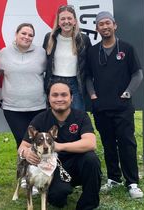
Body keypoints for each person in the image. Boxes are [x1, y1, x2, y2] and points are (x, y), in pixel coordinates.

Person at [85, 11, 144, 199]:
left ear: (114, 25)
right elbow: (87, 76)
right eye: (100, 24)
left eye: (107, 23)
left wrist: (127, 93)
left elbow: (137, 74)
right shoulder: (93, 52)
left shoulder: (126, 48)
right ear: (96, 28)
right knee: (108, 144)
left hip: (123, 107)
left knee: (127, 144)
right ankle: (113, 178)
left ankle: (132, 182)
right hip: (101, 107)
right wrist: (93, 95)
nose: (104, 26)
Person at [18, 80, 101, 210]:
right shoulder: (40, 119)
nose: (59, 99)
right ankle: (62, 188)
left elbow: (91, 143)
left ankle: (88, 204)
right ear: (49, 98)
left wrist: (60, 146)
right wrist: (26, 153)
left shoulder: (81, 117)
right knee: (57, 198)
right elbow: (22, 146)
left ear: (71, 98)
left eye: (64, 95)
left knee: (92, 159)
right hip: (52, 167)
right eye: (55, 95)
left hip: (77, 162)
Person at [0, 23, 47, 150]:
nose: (27, 37)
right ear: (16, 34)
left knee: (38, 142)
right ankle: (24, 170)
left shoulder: (41, 53)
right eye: (23, 33)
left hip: (38, 107)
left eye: (30, 35)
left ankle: (39, 169)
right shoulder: (3, 53)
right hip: (13, 109)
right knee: (22, 142)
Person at [42, 5, 91, 111]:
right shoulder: (49, 38)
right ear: (58, 22)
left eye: (69, 18)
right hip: (54, 82)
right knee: (54, 119)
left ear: (74, 21)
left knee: (77, 118)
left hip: (76, 84)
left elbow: (88, 67)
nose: (66, 21)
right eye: (63, 19)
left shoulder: (84, 39)